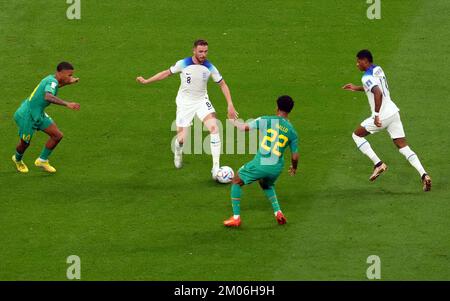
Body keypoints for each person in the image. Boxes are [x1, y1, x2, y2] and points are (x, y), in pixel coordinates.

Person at [137, 39, 238, 179]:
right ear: (194, 50)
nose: (203, 54)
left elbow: (223, 84)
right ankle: (178, 150)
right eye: (200, 51)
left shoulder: (210, 67)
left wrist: (230, 104)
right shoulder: (183, 63)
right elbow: (166, 73)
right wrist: (147, 80)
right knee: (182, 139)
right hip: (185, 103)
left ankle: (215, 168)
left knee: (215, 128)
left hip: (202, 100)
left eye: (206, 51)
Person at [343, 49, 431, 191]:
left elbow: (377, 92)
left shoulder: (366, 77)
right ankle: (424, 175)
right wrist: (356, 88)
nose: (357, 64)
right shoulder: (378, 69)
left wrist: (376, 114)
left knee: (356, 135)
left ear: (365, 60)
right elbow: (374, 87)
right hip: (393, 112)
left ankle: (378, 164)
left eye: (358, 61)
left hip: (382, 116)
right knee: (403, 146)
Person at [224, 95, 299, 227]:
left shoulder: (266, 120)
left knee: (236, 180)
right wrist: (294, 168)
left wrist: (231, 121)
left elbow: (243, 128)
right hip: (276, 168)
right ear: (290, 110)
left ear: (277, 107)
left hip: (261, 164)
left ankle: (236, 218)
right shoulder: (292, 132)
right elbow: (295, 156)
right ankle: (278, 213)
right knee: (266, 184)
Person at [12, 62, 80, 173]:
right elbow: (48, 96)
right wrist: (67, 104)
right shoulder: (52, 81)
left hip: (37, 113)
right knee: (25, 143)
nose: (71, 77)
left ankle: (42, 160)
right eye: (69, 75)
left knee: (57, 135)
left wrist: (68, 82)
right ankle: (17, 159)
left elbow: (54, 87)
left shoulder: (52, 79)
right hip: (27, 115)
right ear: (60, 73)